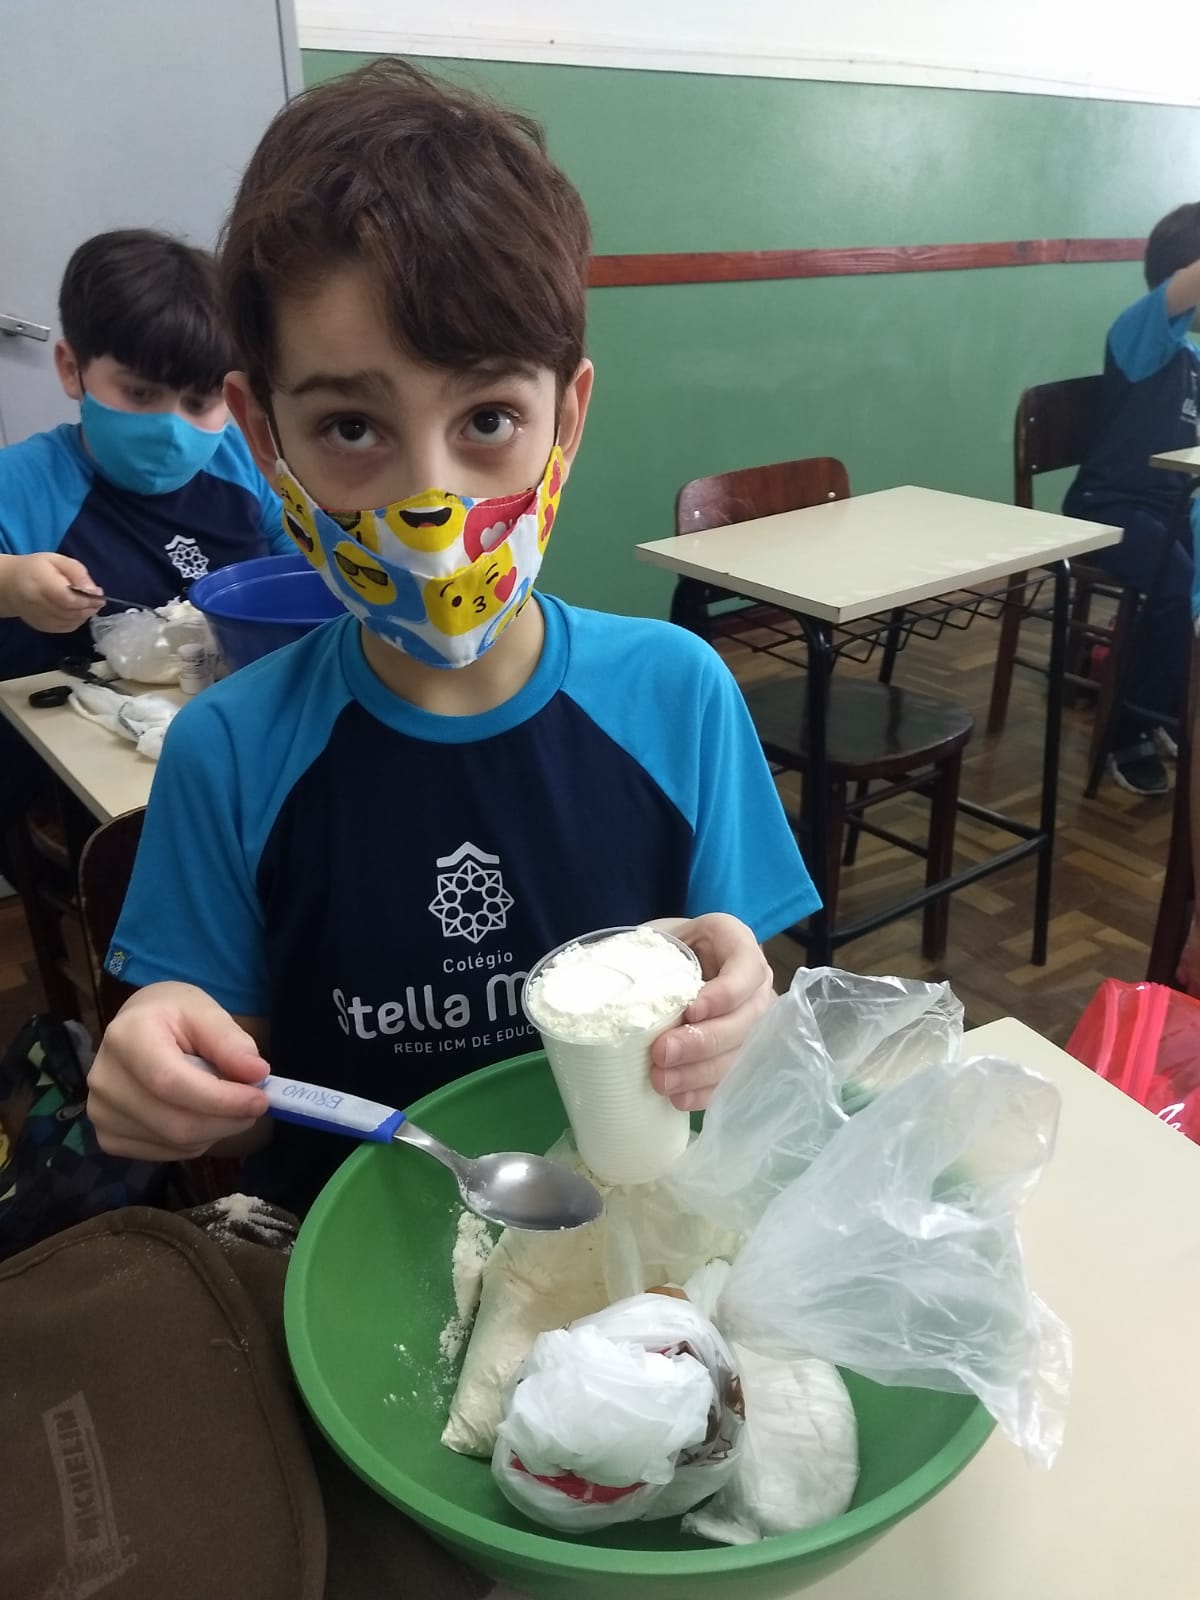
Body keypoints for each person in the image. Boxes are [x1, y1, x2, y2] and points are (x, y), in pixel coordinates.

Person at [86, 61, 820, 1215]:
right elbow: (231, 1076)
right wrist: (167, 1067)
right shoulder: (226, 752)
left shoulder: (677, 694)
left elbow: (757, 993)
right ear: (266, 441)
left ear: (567, 415)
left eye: (487, 418)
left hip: (641, 1259)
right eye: (350, 426)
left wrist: (743, 1000)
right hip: (349, 1262)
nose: (430, 502)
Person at [0, 229, 292, 859]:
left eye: (200, 401)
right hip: (87, 776)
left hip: (233, 736)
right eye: (139, 393)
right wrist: (13, 585)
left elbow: (296, 565)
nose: (171, 427)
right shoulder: (23, 483)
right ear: (72, 370)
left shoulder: (239, 461)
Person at [1063, 204, 1200, 796]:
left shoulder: (1193, 358)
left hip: (1168, 507)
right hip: (1108, 506)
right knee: (1176, 582)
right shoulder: (1141, 332)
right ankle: (1128, 729)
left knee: (1190, 579)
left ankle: (1165, 701)